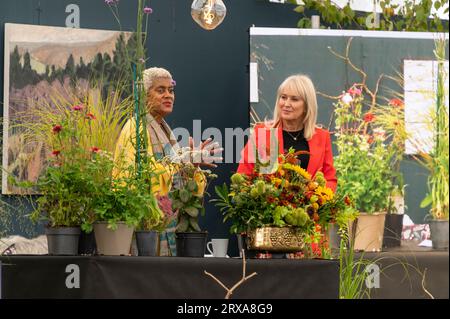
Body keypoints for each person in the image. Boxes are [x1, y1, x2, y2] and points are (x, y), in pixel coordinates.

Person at [114, 67, 221, 256]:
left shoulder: (164, 129)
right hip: (144, 227)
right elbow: (138, 177)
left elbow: (181, 181)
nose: (168, 96)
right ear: (144, 95)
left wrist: (191, 166)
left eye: (171, 90)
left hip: (166, 224)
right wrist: (181, 161)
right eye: (160, 90)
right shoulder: (136, 128)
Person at [237, 74, 337, 191]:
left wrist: (320, 198)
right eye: (283, 97)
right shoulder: (263, 133)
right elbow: (244, 175)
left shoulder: (321, 136)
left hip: (310, 207)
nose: (286, 104)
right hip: (269, 205)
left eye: (294, 99)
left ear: (306, 106)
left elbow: (329, 179)